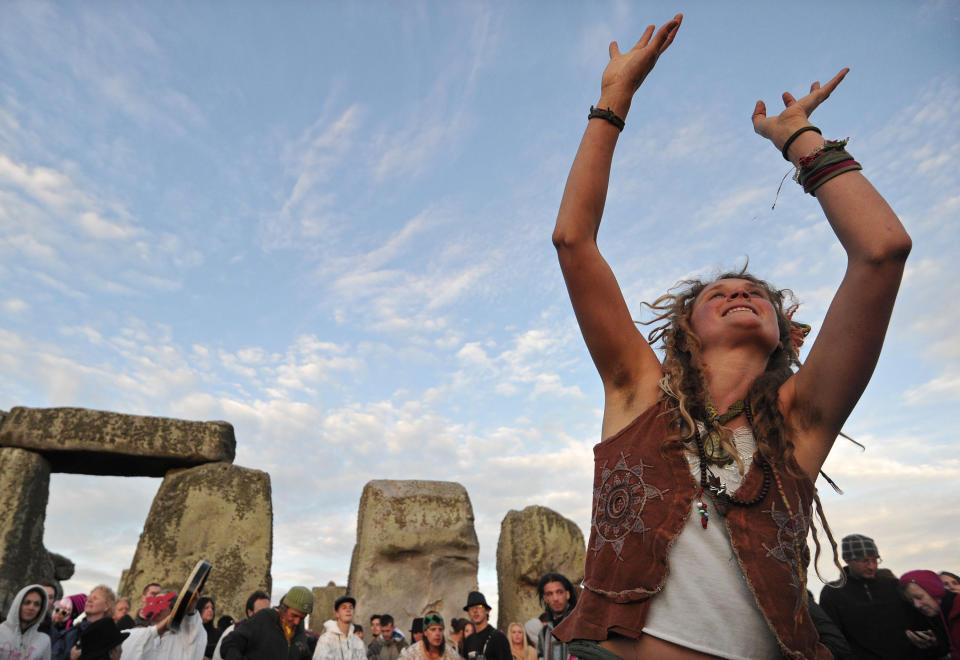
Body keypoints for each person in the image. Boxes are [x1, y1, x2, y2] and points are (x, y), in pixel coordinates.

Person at [549, 12, 912, 660]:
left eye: (757, 295)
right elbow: (573, 240)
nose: (739, 292)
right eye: (717, 294)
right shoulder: (638, 391)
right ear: (686, 330)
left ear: (782, 334)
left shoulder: (801, 420)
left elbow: (882, 251)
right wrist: (613, 101)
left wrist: (798, 135)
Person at [820, 534, 928, 659]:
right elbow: (833, 636)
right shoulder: (833, 592)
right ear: (847, 560)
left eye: (875, 560)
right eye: (865, 560)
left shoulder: (894, 586)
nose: (872, 566)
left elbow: (917, 621)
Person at [219, 586, 313, 660]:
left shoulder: (300, 632)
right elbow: (230, 643)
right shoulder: (264, 618)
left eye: (302, 618)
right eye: (294, 615)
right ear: (284, 608)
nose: (297, 622)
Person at [120, 589, 206, 660]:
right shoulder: (138, 633)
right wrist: (155, 630)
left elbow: (194, 630)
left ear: (172, 609)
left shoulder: (184, 637)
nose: (153, 605)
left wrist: (189, 609)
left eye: (159, 602)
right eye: (152, 602)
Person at [900, 570, 960, 658]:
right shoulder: (932, 618)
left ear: (936, 590)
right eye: (911, 601)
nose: (917, 605)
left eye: (919, 597)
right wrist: (935, 644)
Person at [210, 590, 270, 660]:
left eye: (268, 611)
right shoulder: (233, 631)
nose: (266, 616)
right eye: (261, 612)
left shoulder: (270, 636)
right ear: (250, 612)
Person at [0, 584, 51, 660]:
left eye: (37, 604)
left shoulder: (44, 640)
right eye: (27, 602)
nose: (31, 607)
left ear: (41, 609)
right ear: (18, 604)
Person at [534, 574, 575, 660]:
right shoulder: (544, 632)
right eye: (550, 594)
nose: (555, 598)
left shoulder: (580, 625)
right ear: (545, 598)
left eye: (559, 592)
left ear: (567, 594)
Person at [313, 595, 365, 660]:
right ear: (336, 613)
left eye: (351, 607)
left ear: (353, 612)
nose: (348, 610)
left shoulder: (358, 642)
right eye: (344, 608)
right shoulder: (326, 639)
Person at [461, 593, 508, 660]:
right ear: (468, 613)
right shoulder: (468, 641)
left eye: (479, 606)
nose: (475, 610)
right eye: (471, 608)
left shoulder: (498, 637)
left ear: (487, 610)